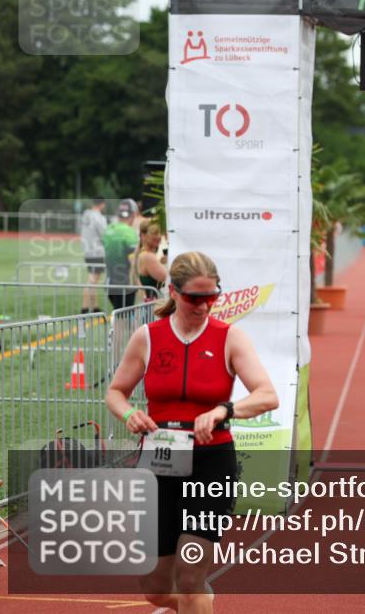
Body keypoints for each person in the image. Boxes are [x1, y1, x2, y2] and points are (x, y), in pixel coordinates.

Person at [105, 251, 278, 613]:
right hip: (158, 465)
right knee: (154, 586)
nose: (204, 306)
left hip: (211, 464)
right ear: (174, 291)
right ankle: (195, 602)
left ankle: (195, 597)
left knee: (189, 577)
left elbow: (267, 395)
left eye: (211, 297)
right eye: (194, 298)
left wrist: (224, 410)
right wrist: (129, 414)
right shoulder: (147, 337)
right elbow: (115, 392)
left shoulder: (229, 338)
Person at [103, 199, 140, 310]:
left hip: (110, 281)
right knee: (125, 320)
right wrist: (139, 283)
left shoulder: (109, 228)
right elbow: (132, 260)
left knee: (118, 317)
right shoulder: (129, 231)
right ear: (133, 214)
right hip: (126, 283)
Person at [80, 198, 107, 313]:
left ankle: (94, 306)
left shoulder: (85, 216)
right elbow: (104, 234)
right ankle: (85, 307)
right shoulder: (99, 217)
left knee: (93, 279)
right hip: (97, 251)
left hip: (87, 251)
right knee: (92, 280)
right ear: (102, 204)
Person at [133, 219, 168, 303]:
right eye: (155, 233)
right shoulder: (147, 256)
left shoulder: (141, 253)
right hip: (151, 308)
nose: (159, 236)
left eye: (160, 233)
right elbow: (167, 278)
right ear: (143, 235)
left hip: (148, 305)